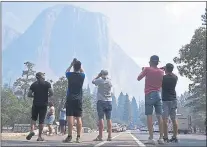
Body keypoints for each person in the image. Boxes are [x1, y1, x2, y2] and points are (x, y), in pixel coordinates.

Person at [137, 55, 164, 145]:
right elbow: (157, 73)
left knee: (149, 115)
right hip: (158, 94)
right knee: (159, 116)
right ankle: (161, 138)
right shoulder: (161, 71)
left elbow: (138, 78)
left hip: (149, 94)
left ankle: (151, 138)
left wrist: (143, 70)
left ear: (150, 62)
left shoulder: (147, 69)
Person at [63, 58, 85, 143]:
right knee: (79, 118)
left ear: (73, 67)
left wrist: (71, 64)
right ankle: (78, 137)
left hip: (70, 98)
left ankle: (69, 136)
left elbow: (66, 71)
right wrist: (79, 65)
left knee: (70, 118)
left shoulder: (70, 75)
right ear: (79, 67)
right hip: (78, 99)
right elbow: (82, 71)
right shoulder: (82, 76)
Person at [26, 72, 53, 141]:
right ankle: (39, 137)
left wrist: (34, 96)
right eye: (43, 75)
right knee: (41, 121)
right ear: (41, 76)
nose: (44, 76)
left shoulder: (33, 84)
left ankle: (32, 131)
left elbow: (29, 94)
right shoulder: (47, 84)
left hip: (35, 104)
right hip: (43, 105)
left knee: (33, 119)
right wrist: (47, 95)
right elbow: (52, 92)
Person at [92, 70, 113, 141]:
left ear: (102, 74)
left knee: (101, 118)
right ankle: (109, 136)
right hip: (109, 101)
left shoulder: (100, 80)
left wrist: (98, 76)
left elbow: (93, 81)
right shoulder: (109, 81)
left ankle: (100, 136)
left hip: (101, 101)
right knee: (109, 119)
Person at [161, 63, 179, 143]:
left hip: (165, 100)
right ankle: (175, 136)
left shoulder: (163, 78)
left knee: (165, 119)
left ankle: (165, 137)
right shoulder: (175, 77)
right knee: (174, 119)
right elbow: (171, 73)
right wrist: (166, 69)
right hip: (174, 99)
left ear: (166, 69)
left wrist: (161, 69)